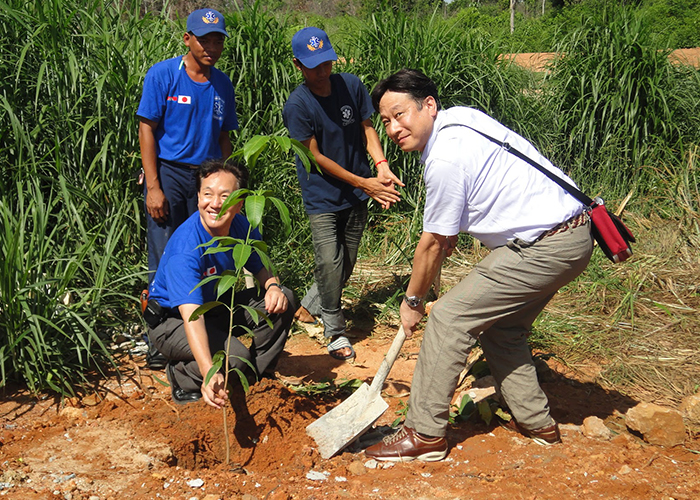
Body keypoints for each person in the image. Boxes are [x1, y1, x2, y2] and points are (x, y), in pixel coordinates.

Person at [365, 69, 593, 462]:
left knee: (449, 318)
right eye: (385, 121)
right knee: (503, 330)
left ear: (429, 106)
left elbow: (432, 244)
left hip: (546, 244)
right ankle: (537, 423)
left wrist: (413, 301)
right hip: (573, 234)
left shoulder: (444, 157)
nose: (393, 128)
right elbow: (484, 182)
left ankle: (423, 433)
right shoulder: (462, 119)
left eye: (400, 114)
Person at [282, 27, 403, 361]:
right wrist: (363, 183)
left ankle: (308, 306)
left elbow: (367, 128)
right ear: (297, 65)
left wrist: (379, 164)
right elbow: (315, 157)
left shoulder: (351, 85)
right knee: (329, 261)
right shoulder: (298, 106)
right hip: (322, 195)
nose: (322, 72)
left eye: (327, 63)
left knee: (346, 262)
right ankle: (335, 331)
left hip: (357, 191)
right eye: (313, 66)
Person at [145, 159, 295, 407]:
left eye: (225, 196)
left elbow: (260, 265)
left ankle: (255, 378)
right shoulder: (186, 249)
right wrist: (208, 369)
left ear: (239, 202)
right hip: (172, 322)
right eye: (207, 194)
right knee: (233, 358)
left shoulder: (239, 225)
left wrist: (272, 286)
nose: (215, 204)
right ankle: (183, 374)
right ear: (198, 197)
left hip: (212, 307)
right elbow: (192, 316)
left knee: (285, 299)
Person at [137, 8, 238, 369]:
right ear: (187, 39)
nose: (211, 46)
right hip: (169, 175)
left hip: (207, 180)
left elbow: (224, 136)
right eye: (204, 39)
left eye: (217, 40)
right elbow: (147, 128)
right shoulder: (164, 75)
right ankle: (159, 339)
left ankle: (198, 332)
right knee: (164, 256)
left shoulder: (222, 84)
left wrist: (225, 182)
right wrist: (153, 186)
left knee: (207, 253)